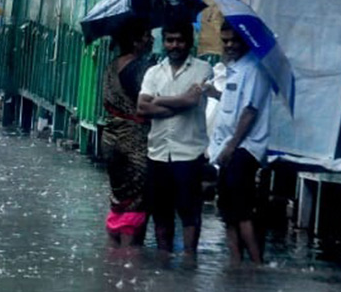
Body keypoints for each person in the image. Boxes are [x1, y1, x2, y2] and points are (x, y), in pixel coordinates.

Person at [136, 19, 212, 255]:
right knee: (161, 212)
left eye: (180, 40)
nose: (175, 45)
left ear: (189, 42)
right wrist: (180, 103)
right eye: (170, 40)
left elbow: (193, 101)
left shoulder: (203, 69)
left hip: (188, 152)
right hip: (158, 151)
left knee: (189, 213)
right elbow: (141, 108)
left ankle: (190, 259)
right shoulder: (153, 73)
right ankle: (163, 259)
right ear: (164, 42)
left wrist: (157, 100)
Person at [205, 22, 272, 263]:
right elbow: (234, 104)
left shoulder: (254, 69)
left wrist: (230, 147)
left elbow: (250, 111)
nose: (229, 45)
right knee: (228, 211)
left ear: (245, 40)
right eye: (225, 41)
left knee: (242, 211)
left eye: (234, 40)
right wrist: (215, 94)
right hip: (229, 148)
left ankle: (255, 264)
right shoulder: (235, 69)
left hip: (243, 149)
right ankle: (235, 264)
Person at [101, 20, 154, 246]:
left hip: (111, 139)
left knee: (119, 200)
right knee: (138, 202)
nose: (151, 40)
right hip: (134, 141)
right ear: (136, 41)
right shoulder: (139, 68)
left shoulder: (111, 66)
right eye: (147, 35)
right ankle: (132, 261)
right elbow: (148, 103)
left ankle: (114, 259)